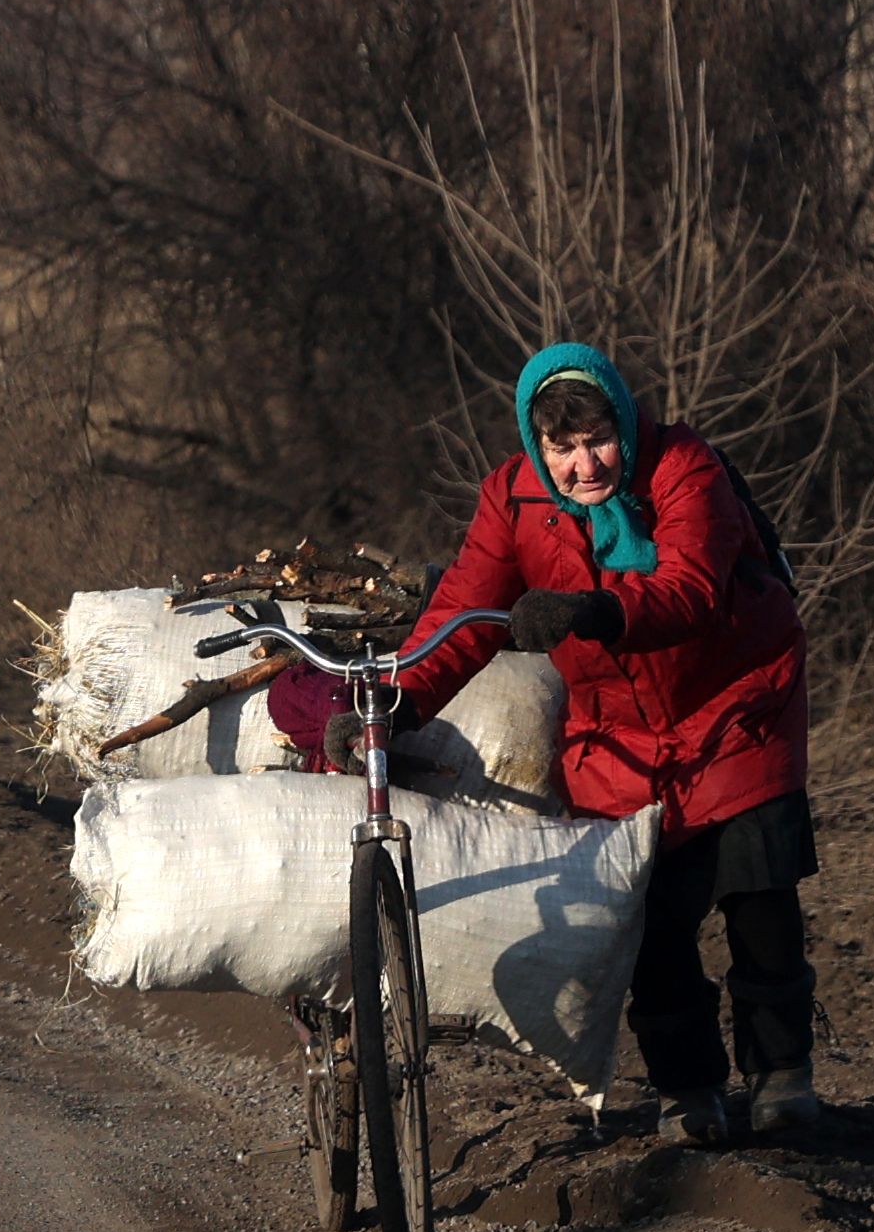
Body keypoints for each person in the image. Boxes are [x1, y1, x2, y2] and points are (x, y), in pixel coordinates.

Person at [337, 341, 818, 1144]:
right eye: (562, 447)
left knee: (758, 898)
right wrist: (401, 696)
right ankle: (689, 1091)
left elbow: (694, 586)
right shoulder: (513, 500)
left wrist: (594, 610)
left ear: (623, 427)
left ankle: (782, 1079)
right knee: (653, 926)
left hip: (737, 705)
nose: (585, 464)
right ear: (539, 447)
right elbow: (464, 610)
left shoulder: (684, 467)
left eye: (597, 439)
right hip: (617, 737)